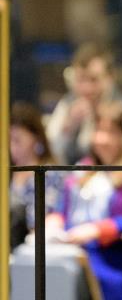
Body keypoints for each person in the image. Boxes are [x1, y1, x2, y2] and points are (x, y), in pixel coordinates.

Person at [46, 101, 122, 300]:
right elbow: (62, 208)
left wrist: (99, 229)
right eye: (98, 131)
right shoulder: (83, 168)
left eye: (110, 132)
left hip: (114, 255)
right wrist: (54, 221)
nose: (102, 139)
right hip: (70, 249)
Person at [46, 42, 122, 164]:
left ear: (110, 77)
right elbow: (49, 156)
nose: (86, 88)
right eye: (81, 79)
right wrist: (68, 128)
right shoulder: (67, 105)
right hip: (73, 179)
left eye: (93, 79)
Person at [9, 102, 63, 249]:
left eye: (17, 140)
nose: (11, 146)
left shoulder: (49, 174)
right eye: (7, 139)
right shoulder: (6, 173)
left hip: (34, 248)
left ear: (36, 138)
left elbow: (41, 220)